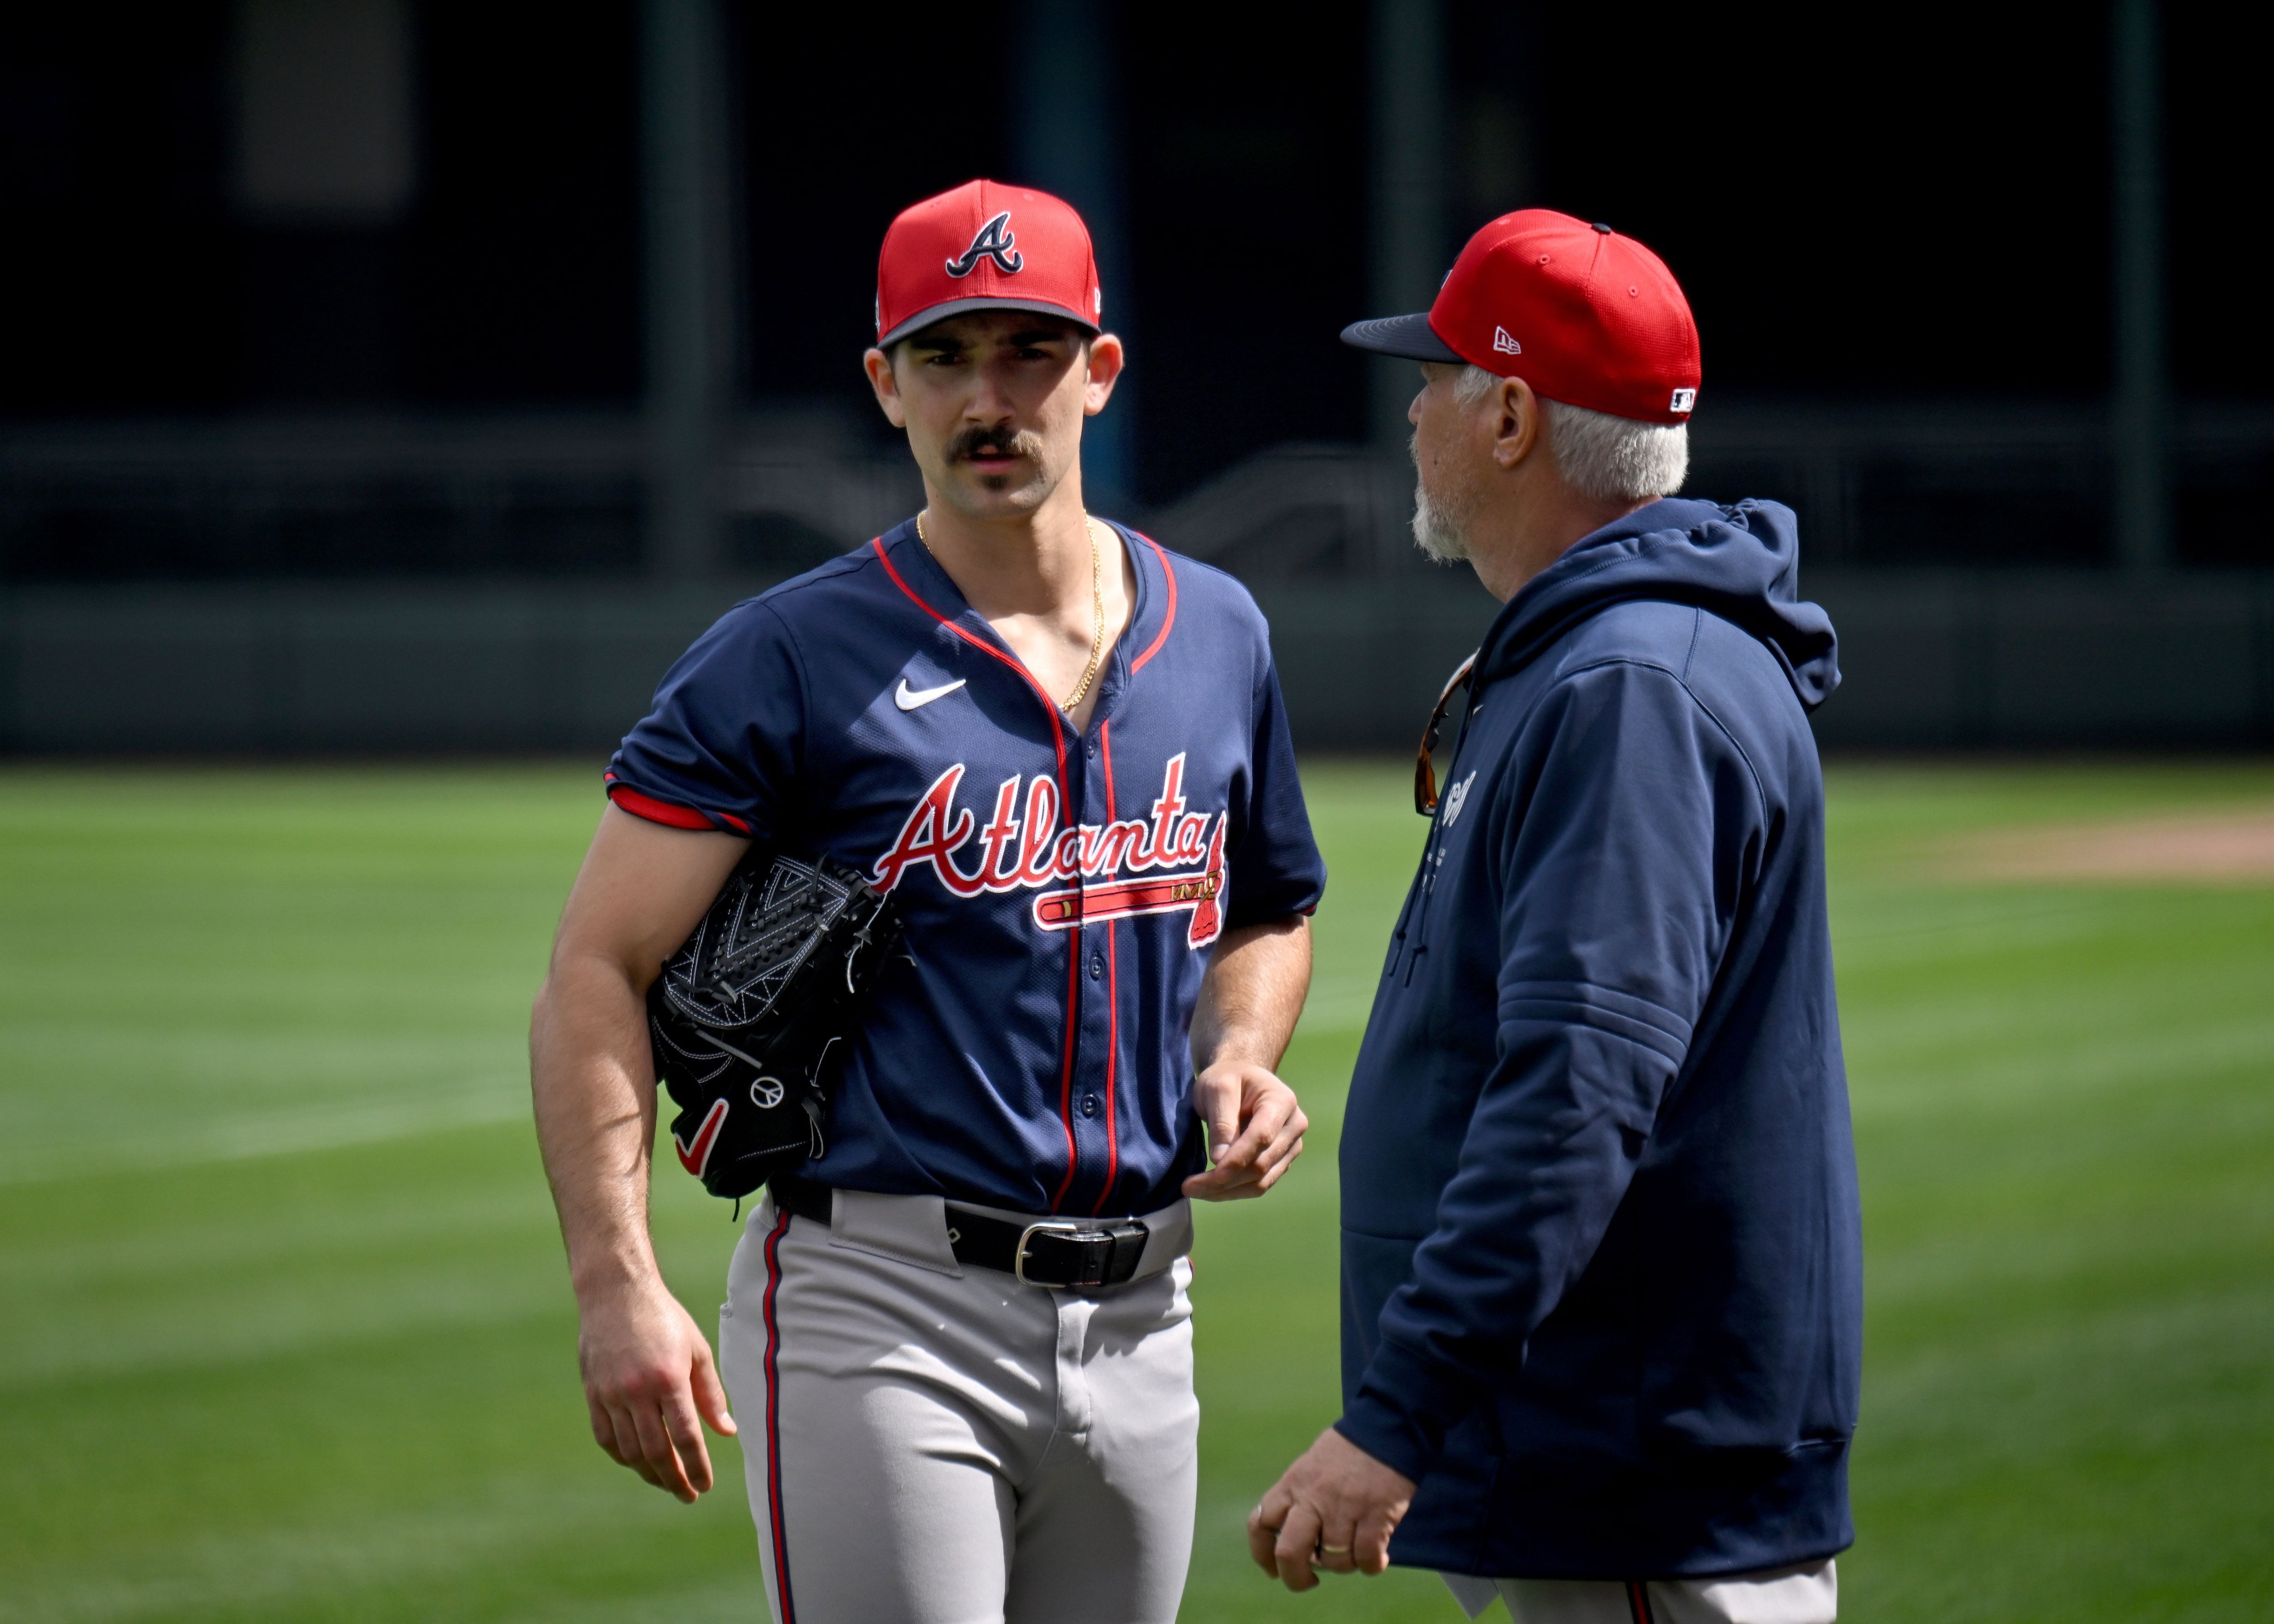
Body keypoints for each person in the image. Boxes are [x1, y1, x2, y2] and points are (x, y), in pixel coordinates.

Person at [530, 179, 1326, 1624]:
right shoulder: (787, 654)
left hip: (1148, 1310)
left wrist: (1240, 1052)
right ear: (885, 383)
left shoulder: (1218, 631)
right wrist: (614, 1284)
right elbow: (599, 963)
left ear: (1102, 369)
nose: (989, 396)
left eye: (1029, 350)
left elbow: (1271, 900)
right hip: (882, 1306)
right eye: (948, 354)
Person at [1248, 208, 1860, 1624]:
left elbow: (1577, 1092)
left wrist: (1397, 1416)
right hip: (1602, 1456)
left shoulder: (1631, 685)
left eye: (1439, 373)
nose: (1413, 407)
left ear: (1513, 414)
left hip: (1630, 1473)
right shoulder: (1609, 652)